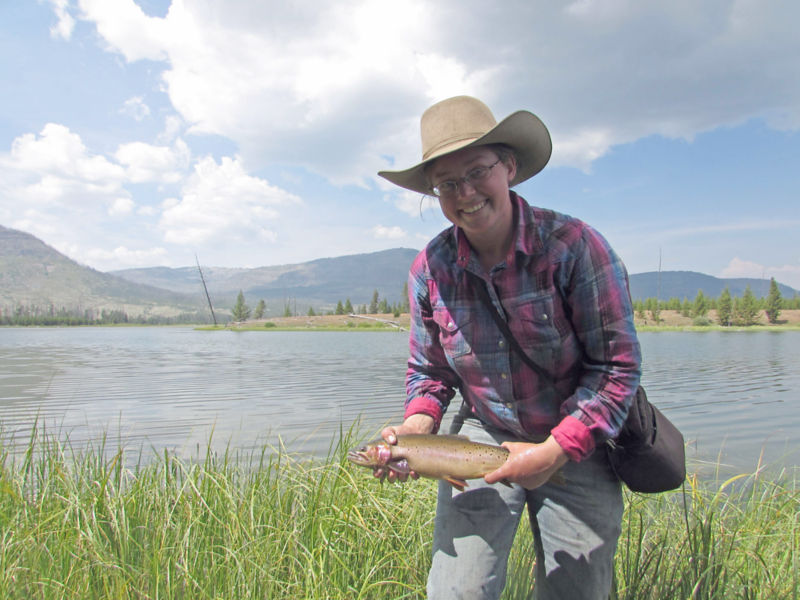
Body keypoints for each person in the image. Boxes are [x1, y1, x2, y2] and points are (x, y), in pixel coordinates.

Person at [376, 96, 642, 600]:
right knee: (457, 593)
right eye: (448, 184)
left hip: (576, 438)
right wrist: (416, 430)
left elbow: (617, 369)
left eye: (478, 171)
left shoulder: (575, 247)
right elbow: (429, 372)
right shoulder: (429, 269)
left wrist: (555, 450)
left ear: (510, 168)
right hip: (481, 433)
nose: (466, 193)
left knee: (576, 593)